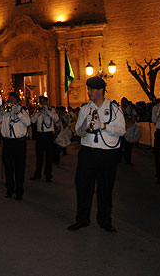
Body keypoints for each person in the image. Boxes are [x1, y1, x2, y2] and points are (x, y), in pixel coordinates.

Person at [68, 76, 125, 233]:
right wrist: (85, 125)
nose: (89, 92)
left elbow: (121, 130)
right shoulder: (85, 108)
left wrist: (104, 126)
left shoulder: (114, 108)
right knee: (83, 187)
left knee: (105, 189)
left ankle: (105, 220)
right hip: (87, 152)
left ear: (101, 90)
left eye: (92, 89)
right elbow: (78, 132)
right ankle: (82, 219)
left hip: (107, 154)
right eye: (88, 89)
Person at [0, 92, 31, 200]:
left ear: (17, 100)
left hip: (19, 142)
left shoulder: (23, 109)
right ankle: (9, 189)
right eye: (9, 99)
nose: (10, 101)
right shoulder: (5, 111)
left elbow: (28, 122)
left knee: (19, 167)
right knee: (8, 167)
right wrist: (1, 112)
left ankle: (19, 191)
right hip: (7, 142)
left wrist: (18, 113)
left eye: (12, 99)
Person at [30, 95, 59, 181]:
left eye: (43, 102)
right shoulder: (37, 110)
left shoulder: (51, 110)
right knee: (39, 156)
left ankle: (48, 175)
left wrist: (47, 110)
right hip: (40, 135)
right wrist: (37, 113)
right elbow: (32, 121)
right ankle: (37, 173)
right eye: (40, 102)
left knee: (48, 157)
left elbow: (56, 118)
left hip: (48, 135)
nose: (41, 104)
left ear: (46, 102)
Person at [119, 97, 138, 165]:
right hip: (122, 129)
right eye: (122, 102)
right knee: (121, 146)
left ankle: (127, 160)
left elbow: (135, 117)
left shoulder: (130, 109)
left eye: (124, 101)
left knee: (128, 146)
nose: (123, 103)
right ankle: (119, 159)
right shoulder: (120, 109)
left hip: (129, 128)